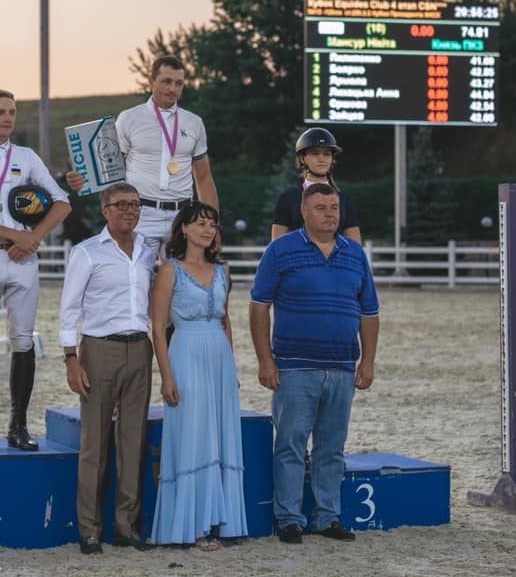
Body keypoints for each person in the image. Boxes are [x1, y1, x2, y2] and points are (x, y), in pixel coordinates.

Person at [249, 183, 379, 544]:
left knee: (331, 448)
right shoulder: (280, 250)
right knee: (290, 444)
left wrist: (367, 361)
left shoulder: (355, 254)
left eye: (334, 207)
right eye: (321, 208)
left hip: (341, 366)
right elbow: (259, 306)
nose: (330, 214)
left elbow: (370, 311)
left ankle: (327, 518)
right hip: (293, 367)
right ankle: (289, 519)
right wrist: (265, 360)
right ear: (304, 212)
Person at [0, 88, 72, 453]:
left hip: (23, 260)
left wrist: (32, 237)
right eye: (0, 111)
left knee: (23, 340)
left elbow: (62, 203)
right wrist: (14, 236)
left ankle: (18, 425)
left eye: (13, 112)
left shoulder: (26, 156)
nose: (8, 118)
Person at [58, 183, 157, 555]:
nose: (130, 211)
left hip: (139, 348)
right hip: (98, 349)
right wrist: (71, 359)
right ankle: (89, 529)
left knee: (133, 441)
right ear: (106, 210)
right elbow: (69, 309)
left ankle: (125, 527)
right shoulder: (86, 254)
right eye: (122, 205)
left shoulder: (148, 251)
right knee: (94, 444)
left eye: (135, 204)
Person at [150, 201, 247, 550]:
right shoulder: (169, 271)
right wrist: (166, 376)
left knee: (220, 435)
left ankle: (220, 521)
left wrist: (232, 366)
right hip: (186, 352)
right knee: (193, 435)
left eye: (212, 224)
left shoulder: (224, 269)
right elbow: (159, 328)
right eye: (201, 223)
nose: (208, 229)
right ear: (184, 229)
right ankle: (192, 526)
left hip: (219, 355)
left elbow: (225, 319)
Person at [66, 55, 219, 252]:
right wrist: (83, 174)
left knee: (179, 280)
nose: (173, 89)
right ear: (151, 82)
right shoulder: (129, 118)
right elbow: (109, 169)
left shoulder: (194, 122)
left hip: (183, 215)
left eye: (179, 83)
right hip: (141, 214)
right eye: (166, 81)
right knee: (137, 278)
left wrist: (214, 226)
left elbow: (204, 178)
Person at [271, 127, 361, 243]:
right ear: (303, 159)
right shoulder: (288, 198)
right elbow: (276, 246)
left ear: (332, 159)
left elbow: (355, 246)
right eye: (315, 153)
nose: (321, 159)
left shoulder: (344, 199)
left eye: (326, 154)